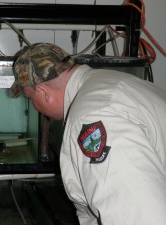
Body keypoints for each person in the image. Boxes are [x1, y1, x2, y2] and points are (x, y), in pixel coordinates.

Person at [10, 42, 166, 225]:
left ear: (43, 93)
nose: (35, 107)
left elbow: (139, 217)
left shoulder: (93, 116)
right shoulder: (111, 82)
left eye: (30, 98)